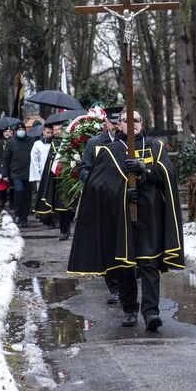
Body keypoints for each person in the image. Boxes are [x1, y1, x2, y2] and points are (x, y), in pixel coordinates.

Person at [67, 108, 184, 331]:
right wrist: (122, 192)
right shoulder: (110, 151)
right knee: (125, 265)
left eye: (137, 120)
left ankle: (151, 312)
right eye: (126, 121)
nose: (133, 124)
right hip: (122, 217)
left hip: (150, 217)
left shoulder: (155, 147)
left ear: (142, 123)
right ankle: (130, 308)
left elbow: (166, 175)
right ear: (118, 125)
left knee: (149, 263)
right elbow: (97, 186)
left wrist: (144, 170)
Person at [77, 108, 121, 302]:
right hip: (103, 201)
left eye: (118, 123)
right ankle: (113, 286)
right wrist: (96, 181)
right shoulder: (95, 144)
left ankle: (129, 281)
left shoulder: (127, 143)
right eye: (113, 123)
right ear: (106, 124)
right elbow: (84, 170)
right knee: (108, 244)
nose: (116, 127)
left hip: (125, 200)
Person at [34, 123, 75, 239]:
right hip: (58, 178)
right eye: (55, 130)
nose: (56, 131)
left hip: (69, 177)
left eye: (58, 129)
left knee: (70, 206)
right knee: (61, 207)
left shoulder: (70, 141)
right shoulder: (54, 143)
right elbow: (50, 161)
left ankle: (68, 227)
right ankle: (63, 230)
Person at [3, 122, 34, 226]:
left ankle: (24, 217)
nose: (21, 131)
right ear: (16, 131)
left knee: (27, 195)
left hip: (29, 173)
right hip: (16, 173)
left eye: (23, 129)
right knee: (19, 191)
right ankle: (18, 215)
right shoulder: (11, 142)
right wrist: (5, 174)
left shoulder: (31, 141)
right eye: (19, 130)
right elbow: (6, 159)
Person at [30, 122, 55, 228]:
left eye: (51, 132)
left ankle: (54, 218)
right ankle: (45, 217)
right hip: (42, 175)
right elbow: (34, 161)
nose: (49, 134)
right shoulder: (37, 144)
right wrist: (37, 176)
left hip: (52, 174)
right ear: (43, 132)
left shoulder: (55, 144)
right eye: (47, 132)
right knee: (42, 197)